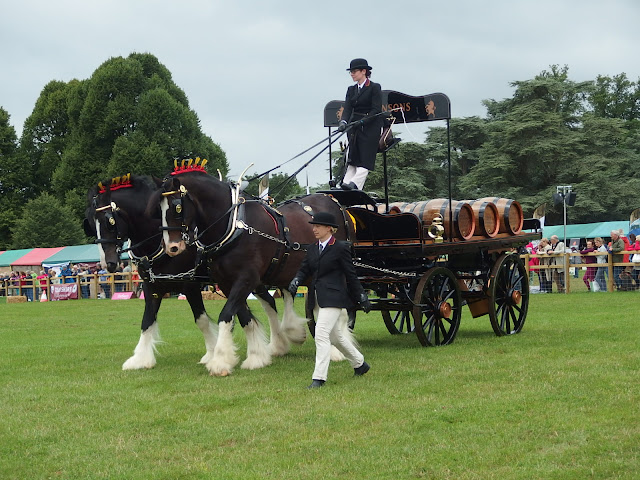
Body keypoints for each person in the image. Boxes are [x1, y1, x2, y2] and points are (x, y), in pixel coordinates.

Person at [288, 211, 372, 389]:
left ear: (329, 229)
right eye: (314, 226)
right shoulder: (312, 249)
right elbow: (304, 269)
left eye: (318, 226)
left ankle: (319, 378)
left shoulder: (341, 247)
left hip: (334, 297)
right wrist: (297, 279)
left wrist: (361, 296)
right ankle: (360, 364)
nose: (314, 229)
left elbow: (351, 275)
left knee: (321, 333)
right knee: (336, 336)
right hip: (317, 297)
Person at [338, 58, 383, 191]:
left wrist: (363, 121)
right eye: (350, 72)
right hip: (354, 127)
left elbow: (376, 109)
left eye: (354, 71)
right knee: (353, 157)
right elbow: (347, 108)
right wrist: (344, 122)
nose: (352, 74)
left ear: (364, 71)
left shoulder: (374, 87)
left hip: (370, 126)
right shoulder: (351, 90)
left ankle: (355, 184)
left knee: (365, 158)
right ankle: (345, 183)